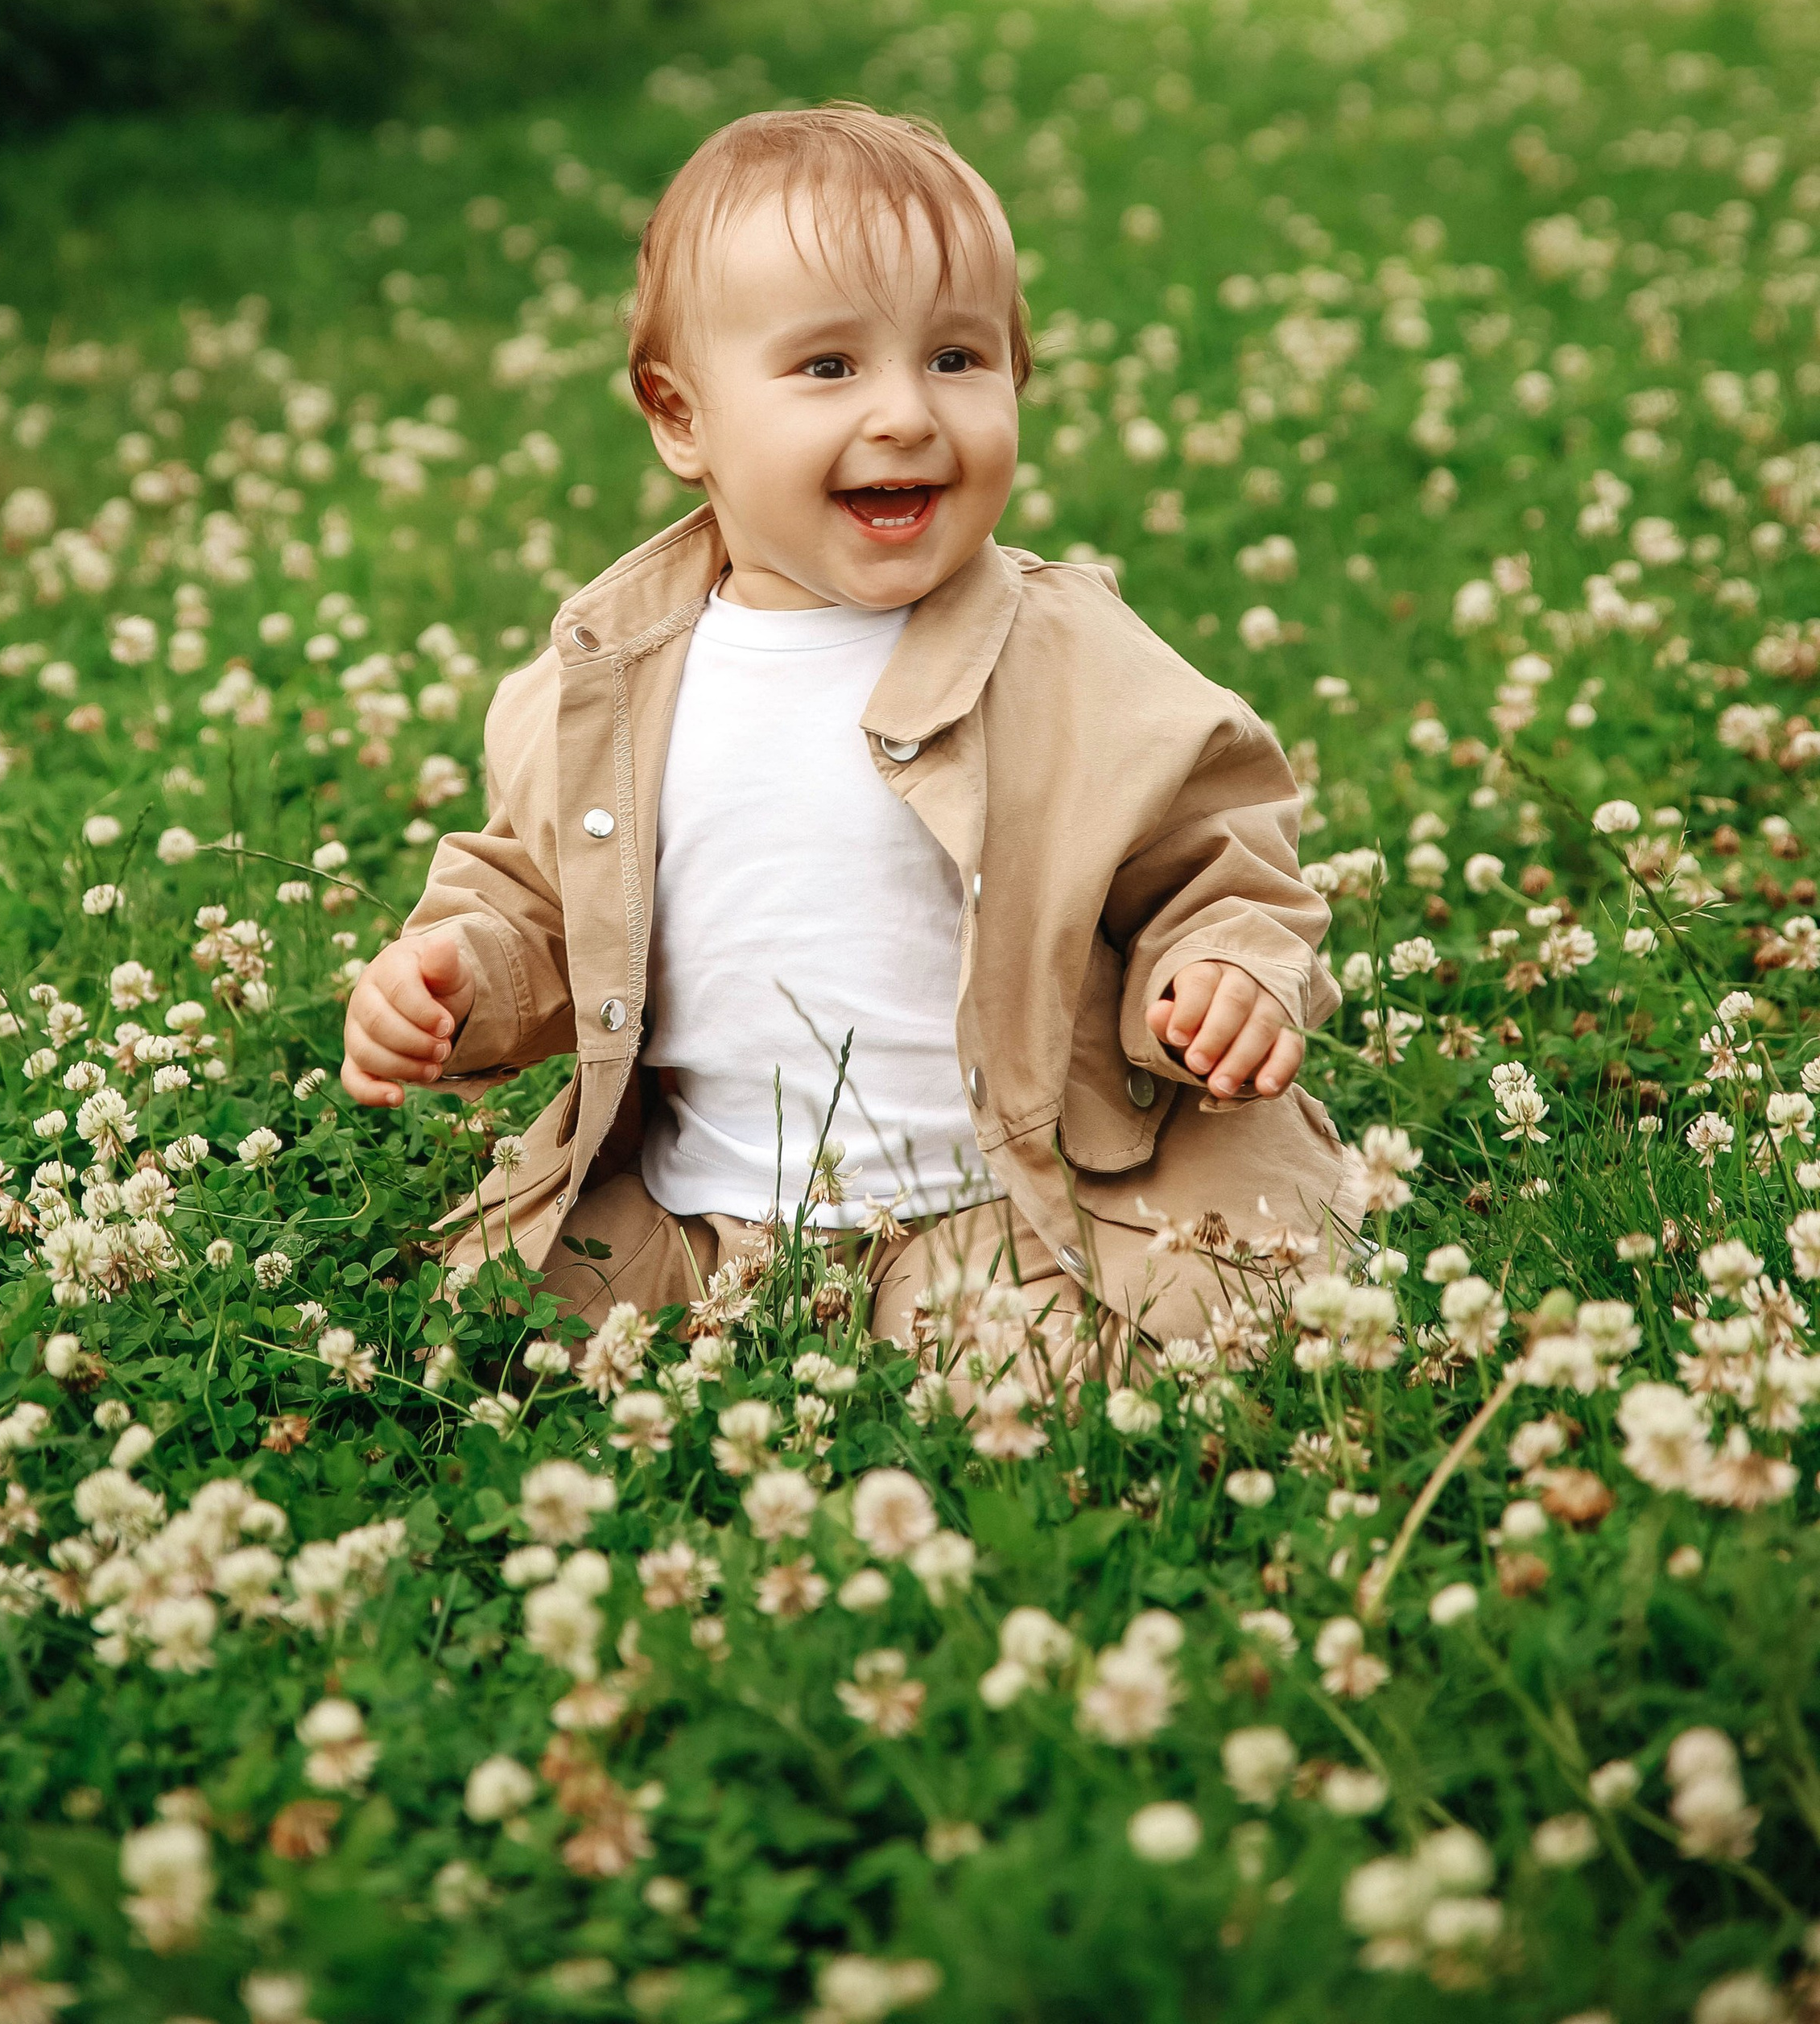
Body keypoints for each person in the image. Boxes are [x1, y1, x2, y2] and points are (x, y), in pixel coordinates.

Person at [340, 102, 1359, 1395]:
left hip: (1004, 1198)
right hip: (703, 1210)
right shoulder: (602, 680)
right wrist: (453, 979)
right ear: (679, 417)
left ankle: (965, 1322)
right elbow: (540, 906)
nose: (905, 416)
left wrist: (1226, 969)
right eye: (828, 369)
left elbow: (1217, 853)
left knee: (1055, 1361)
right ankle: (733, 1310)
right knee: (497, 1330)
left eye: (955, 359)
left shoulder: (1067, 654)